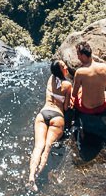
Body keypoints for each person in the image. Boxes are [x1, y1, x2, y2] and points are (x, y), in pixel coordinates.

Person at [28, 59, 72, 191]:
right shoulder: (67, 85)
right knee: (47, 147)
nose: (66, 67)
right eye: (64, 66)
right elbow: (66, 106)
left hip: (43, 114)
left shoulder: (50, 79)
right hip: (57, 117)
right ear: (61, 70)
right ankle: (38, 174)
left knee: (38, 147)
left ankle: (31, 177)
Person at [72, 41, 106, 137]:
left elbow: (74, 95)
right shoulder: (105, 67)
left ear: (83, 55)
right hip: (102, 107)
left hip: (86, 109)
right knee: (104, 92)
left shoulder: (80, 72)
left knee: (76, 92)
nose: (78, 57)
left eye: (78, 55)